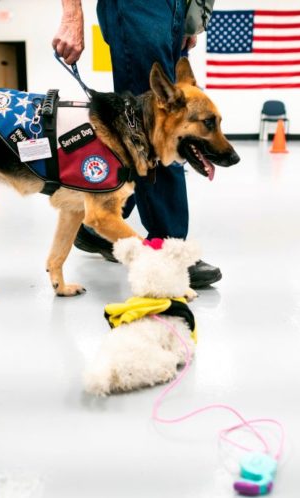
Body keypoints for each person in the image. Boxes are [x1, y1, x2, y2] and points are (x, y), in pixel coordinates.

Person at [52, 0, 222, 288]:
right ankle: (168, 249)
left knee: (148, 124)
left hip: (174, 9)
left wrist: (191, 15)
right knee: (157, 128)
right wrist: (71, 14)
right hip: (136, 6)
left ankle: (102, 222)